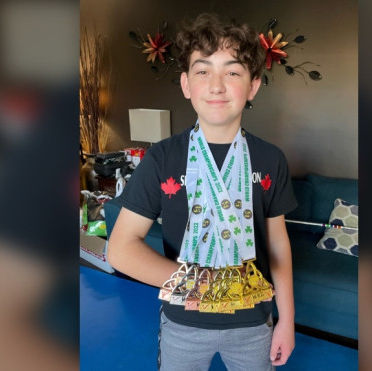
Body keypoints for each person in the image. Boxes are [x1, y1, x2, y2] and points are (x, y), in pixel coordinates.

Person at [107, 13, 297, 370]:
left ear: (253, 86)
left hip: (254, 322)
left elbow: (277, 244)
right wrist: (198, 285)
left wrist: (287, 320)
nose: (216, 85)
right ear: (186, 84)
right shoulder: (162, 158)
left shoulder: (271, 159)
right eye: (203, 70)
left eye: (233, 72)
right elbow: (120, 249)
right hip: (183, 322)